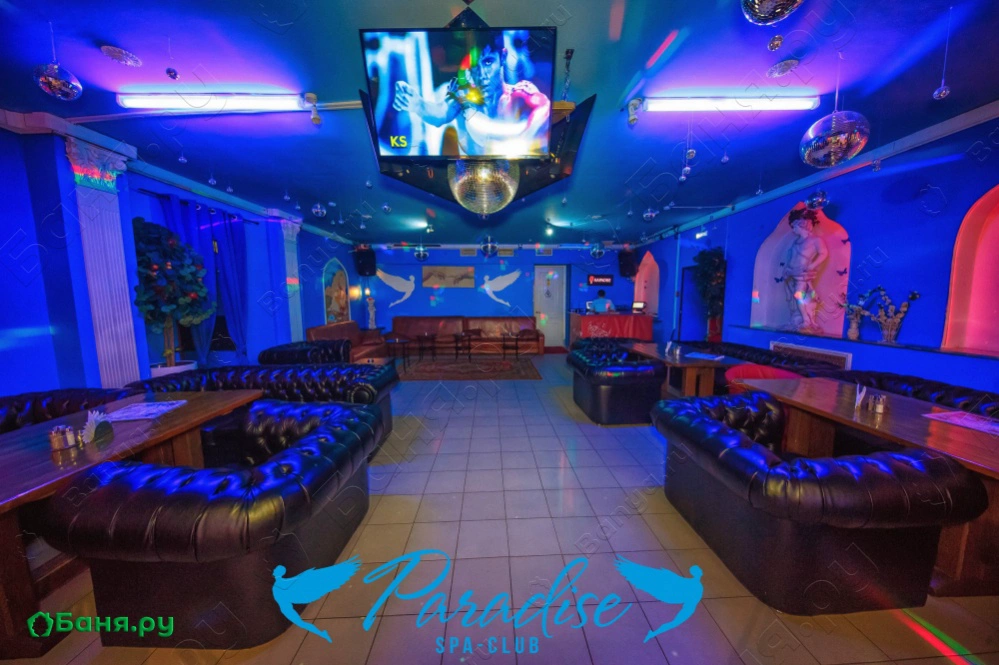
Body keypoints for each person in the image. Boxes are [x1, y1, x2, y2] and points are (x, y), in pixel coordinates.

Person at [392, 32, 551, 156]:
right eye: (475, 65)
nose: (482, 74)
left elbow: (544, 109)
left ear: (502, 58)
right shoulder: (463, 96)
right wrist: (417, 104)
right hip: (468, 176)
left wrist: (524, 135)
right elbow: (440, 114)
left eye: (488, 62)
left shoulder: (521, 94)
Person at [781, 208, 829, 332]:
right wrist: (787, 270)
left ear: (802, 224)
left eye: (794, 226)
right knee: (794, 297)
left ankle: (806, 320)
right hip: (792, 273)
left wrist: (812, 266)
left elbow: (823, 253)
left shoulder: (815, 240)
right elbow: (792, 257)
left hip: (803, 274)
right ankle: (800, 318)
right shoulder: (796, 241)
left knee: (798, 295)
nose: (793, 230)